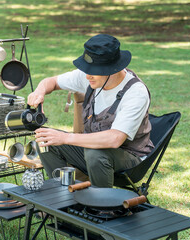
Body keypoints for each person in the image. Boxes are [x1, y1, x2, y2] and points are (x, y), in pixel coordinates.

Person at [28, 34, 154, 188]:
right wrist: (39, 91)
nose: (87, 76)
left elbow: (115, 139)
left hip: (130, 159)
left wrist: (66, 137)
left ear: (112, 70)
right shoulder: (91, 77)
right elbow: (52, 82)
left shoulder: (135, 92)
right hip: (93, 151)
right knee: (46, 139)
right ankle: (62, 196)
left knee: (95, 153)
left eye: (93, 71)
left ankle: (101, 208)